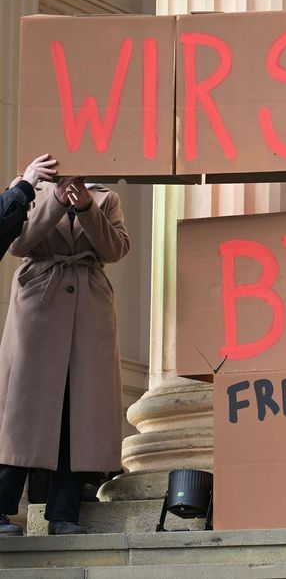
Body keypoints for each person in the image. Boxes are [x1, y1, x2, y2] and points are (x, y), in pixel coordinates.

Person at [0, 172, 130, 536]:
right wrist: (55, 201)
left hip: (89, 305)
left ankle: (64, 513)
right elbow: (18, 243)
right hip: (39, 301)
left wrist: (87, 207)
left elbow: (116, 249)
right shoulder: (26, 188)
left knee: (80, 412)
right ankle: (2, 505)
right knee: (21, 408)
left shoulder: (106, 198)